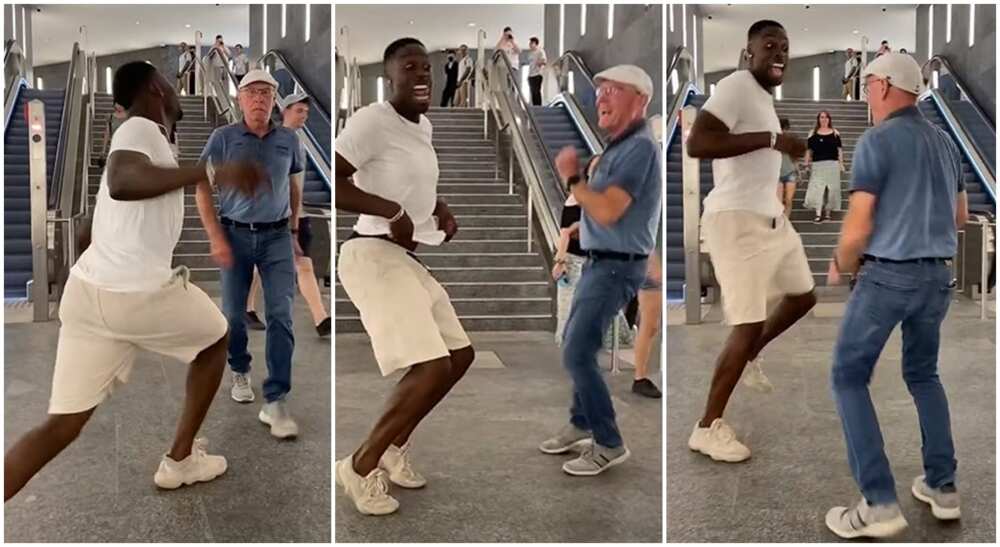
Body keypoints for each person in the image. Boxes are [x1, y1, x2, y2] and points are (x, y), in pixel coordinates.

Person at [3, 61, 266, 501]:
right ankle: (180, 459)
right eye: (171, 83)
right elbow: (123, 182)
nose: (177, 92)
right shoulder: (140, 128)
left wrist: (77, 272)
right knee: (216, 339)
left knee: (62, 424)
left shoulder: (144, 139)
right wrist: (212, 172)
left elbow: (97, 214)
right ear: (156, 89)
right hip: (138, 291)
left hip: (90, 295)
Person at [823, 52, 968, 539]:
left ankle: (879, 502)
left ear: (885, 85)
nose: (866, 93)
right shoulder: (947, 143)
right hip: (936, 278)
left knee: (847, 375)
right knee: (924, 375)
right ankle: (942, 486)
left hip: (888, 276)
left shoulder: (877, 139)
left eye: (867, 85)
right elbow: (960, 218)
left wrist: (842, 262)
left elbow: (860, 222)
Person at [334, 38, 474, 516]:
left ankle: (394, 447)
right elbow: (331, 182)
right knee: (431, 364)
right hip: (369, 252)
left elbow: (414, 184)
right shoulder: (372, 121)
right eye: (409, 68)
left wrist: (440, 208)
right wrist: (389, 210)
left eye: (427, 69)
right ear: (388, 77)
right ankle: (358, 465)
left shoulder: (424, 126)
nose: (421, 76)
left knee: (459, 355)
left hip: (405, 257)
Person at [684, 20, 816, 463]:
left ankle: (752, 353)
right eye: (769, 46)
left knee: (803, 297)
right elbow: (697, 143)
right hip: (735, 220)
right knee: (745, 323)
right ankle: (706, 427)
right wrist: (775, 139)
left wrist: (780, 145)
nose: (778, 53)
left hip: (770, 216)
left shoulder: (761, 96)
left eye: (784, 47)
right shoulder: (737, 86)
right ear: (749, 53)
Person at [539, 64, 661, 476]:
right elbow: (605, 209)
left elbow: (609, 208)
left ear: (640, 99)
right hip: (599, 260)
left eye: (613, 90)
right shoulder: (617, 146)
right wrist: (580, 224)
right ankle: (580, 422)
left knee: (576, 351)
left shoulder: (639, 147)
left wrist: (573, 176)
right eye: (599, 90)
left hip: (615, 267)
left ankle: (608, 442)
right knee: (579, 343)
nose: (601, 98)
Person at [195, 69, 303, 439]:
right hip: (234, 234)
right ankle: (239, 368)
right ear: (240, 98)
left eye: (266, 93)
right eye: (252, 92)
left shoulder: (289, 139)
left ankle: (276, 399)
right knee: (234, 315)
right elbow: (199, 184)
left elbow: (292, 185)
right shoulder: (223, 138)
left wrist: (293, 230)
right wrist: (215, 236)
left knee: (281, 314)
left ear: (275, 100)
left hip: (276, 238)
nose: (259, 99)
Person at [245, 92, 332, 337]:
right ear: (285, 111)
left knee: (297, 263)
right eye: (298, 111)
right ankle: (321, 318)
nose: (304, 116)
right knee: (301, 263)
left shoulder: (298, 142)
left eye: (306, 112)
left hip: (298, 215)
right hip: (277, 217)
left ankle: (247, 307)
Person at [552, 155, 599, 345]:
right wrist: (560, 261)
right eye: (595, 168)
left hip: (592, 261)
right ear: (587, 171)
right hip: (573, 260)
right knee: (568, 309)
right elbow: (565, 232)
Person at [631, 249, 663, 398]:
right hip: (644, 263)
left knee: (651, 326)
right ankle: (639, 378)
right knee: (648, 325)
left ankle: (640, 377)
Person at [803, 110, 845, 223]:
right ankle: (818, 214)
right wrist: (806, 164)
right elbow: (808, 151)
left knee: (831, 190)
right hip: (817, 165)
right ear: (818, 119)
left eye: (826, 117)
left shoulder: (835, 132)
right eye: (822, 117)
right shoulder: (812, 133)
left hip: (832, 164)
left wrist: (841, 164)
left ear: (829, 119)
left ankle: (827, 214)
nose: (824, 119)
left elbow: (839, 150)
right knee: (817, 189)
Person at [777, 117, 798, 217]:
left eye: (785, 129)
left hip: (790, 172)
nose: (783, 131)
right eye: (781, 128)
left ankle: (786, 222)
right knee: (779, 201)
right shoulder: (773, 140)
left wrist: (799, 171)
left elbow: (794, 157)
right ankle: (781, 222)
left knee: (789, 200)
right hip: (777, 173)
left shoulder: (790, 140)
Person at [97, 103, 128, 168]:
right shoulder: (110, 117)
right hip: (114, 147)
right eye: (118, 103)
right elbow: (107, 134)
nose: (119, 106)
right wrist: (103, 151)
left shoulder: (129, 117)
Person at [527, 37, 547, 106]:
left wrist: (539, 63)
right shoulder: (530, 53)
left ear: (536, 44)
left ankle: (539, 106)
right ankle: (535, 106)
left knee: (536, 91)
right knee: (532, 92)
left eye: (531, 43)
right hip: (530, 75)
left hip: (537, 74)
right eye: (530, 43)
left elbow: (544, 61)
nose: (530, 45)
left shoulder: (540, 51)